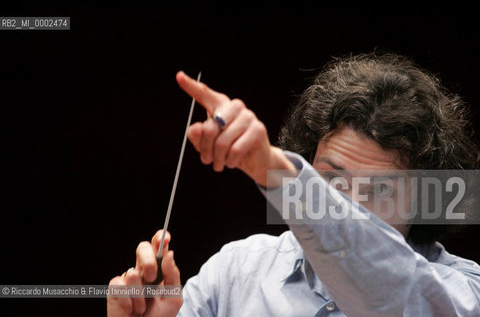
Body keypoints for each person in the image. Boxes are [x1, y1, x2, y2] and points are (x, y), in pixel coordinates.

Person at [107, 53, 480, 316]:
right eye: (331, 179)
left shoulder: (463, 291)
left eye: (380, 190)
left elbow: (387, 293)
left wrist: (270, 167)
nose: (346, 204)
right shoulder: (236, 270)